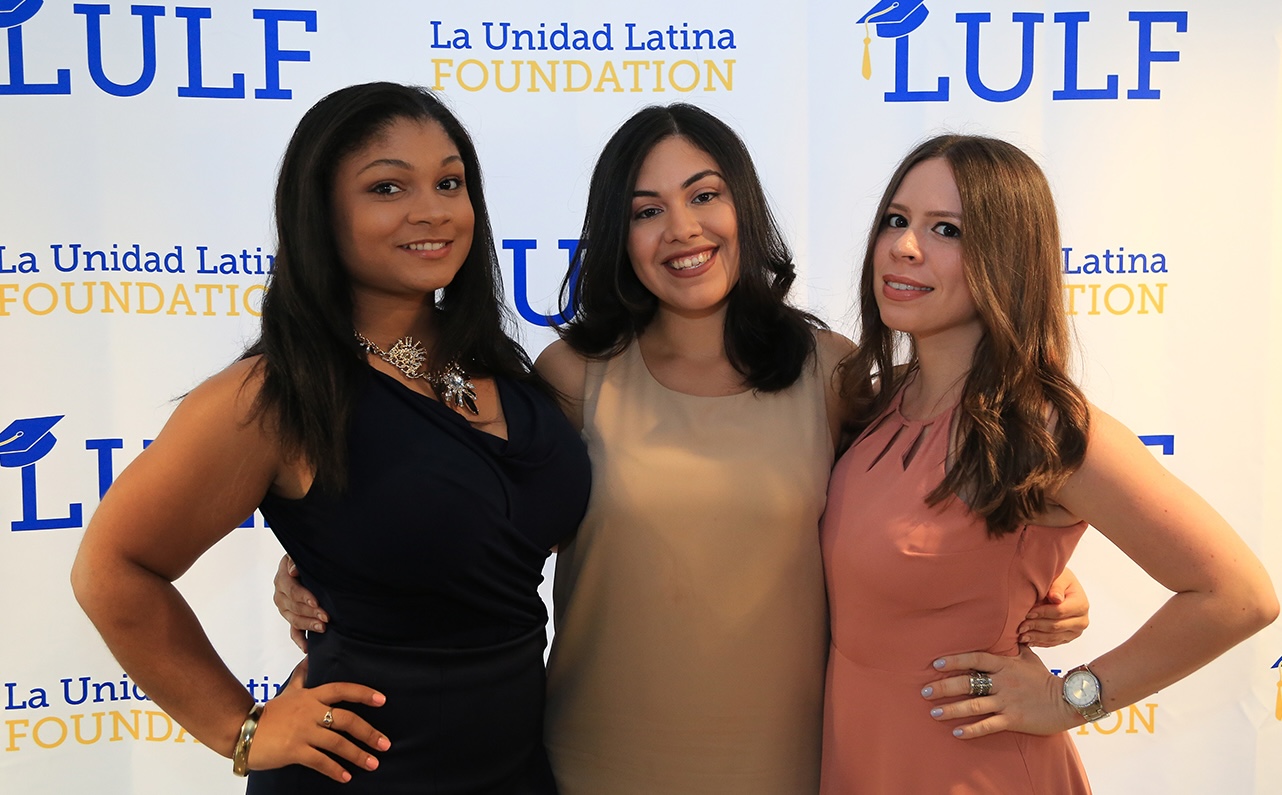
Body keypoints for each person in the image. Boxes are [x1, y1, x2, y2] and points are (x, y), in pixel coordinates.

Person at [273, 106, 1090, 793]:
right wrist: (325, 563)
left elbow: (911, 507)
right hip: (592, 759)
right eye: (645, 208)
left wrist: (1041, 578)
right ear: (617, 234)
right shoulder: (571, 374)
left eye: (705, 195)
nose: (683, 229)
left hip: (788, 764)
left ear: (744, 207)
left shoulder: (829, 369)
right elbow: (477, 519)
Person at [71, 82, 590, 794]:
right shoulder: (272, 394)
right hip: (364, 774)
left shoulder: (496, 360)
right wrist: (243, 728)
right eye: (387, 187)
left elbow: (501, 531)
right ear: (321, 212)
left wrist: (347, 556)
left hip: (516, 767)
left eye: (449, 181)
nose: (432, 208)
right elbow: (111, 566)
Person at [819, 134, 1278, 793]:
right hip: (861, 763)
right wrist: (1040, 586)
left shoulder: (1046, 426)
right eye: (897, 220)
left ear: (1006, 257)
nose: (905, 245)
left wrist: (1072, 695)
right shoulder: (874, 400)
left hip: (980, 771)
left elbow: (1237, 595)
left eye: (945, 229)